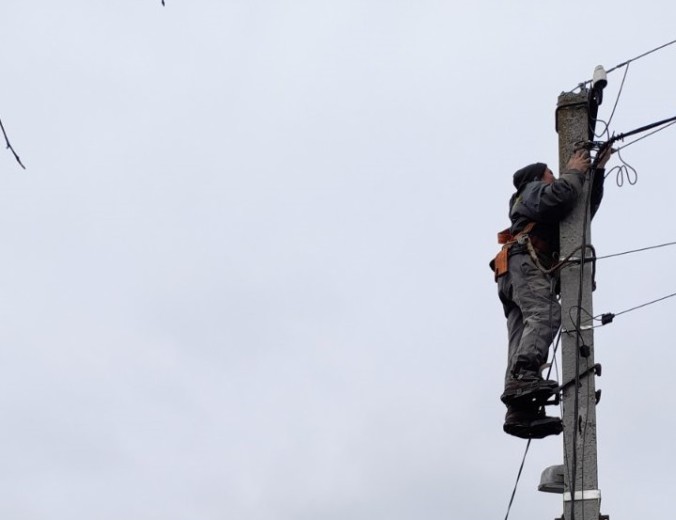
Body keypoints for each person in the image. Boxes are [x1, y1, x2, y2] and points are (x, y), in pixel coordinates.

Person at [491, 147, 611, 439]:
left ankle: (520, 410)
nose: (555, 177)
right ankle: (524, 376)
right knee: (545, 314)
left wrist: (594, 172)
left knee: (522, 334)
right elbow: (560, 196)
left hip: (514, 269)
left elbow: (579, 212)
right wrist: (574, 171)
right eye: (551, 174)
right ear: (538, 177)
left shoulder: (537, 197)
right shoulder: (531, 190)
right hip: (525, 262)